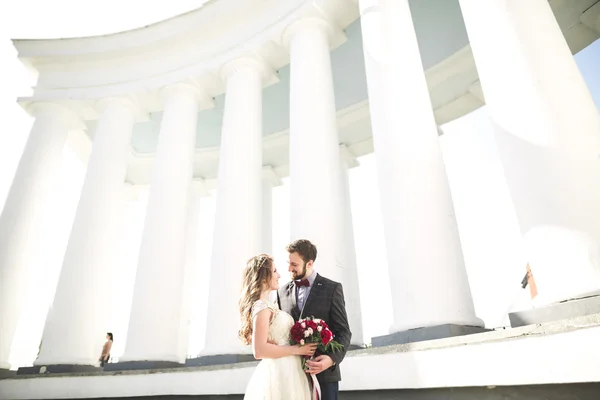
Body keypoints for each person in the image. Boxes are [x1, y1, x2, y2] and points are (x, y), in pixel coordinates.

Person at [277, 239, 352, 400]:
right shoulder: (281, 292)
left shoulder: (332, 288)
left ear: (309, 263)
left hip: (325, 375)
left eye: (294, 264)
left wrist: (331, 360)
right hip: (292, 375)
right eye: (288, 263)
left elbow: (344, 332)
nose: (289, 268)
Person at [240, 254, 318, 399]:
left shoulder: (270, 305)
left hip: (290, 370)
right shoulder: (261, 307)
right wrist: (298, 349)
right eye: (275, 271)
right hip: (279, 372)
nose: (279, 275)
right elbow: (259, 351)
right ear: (263, 276)